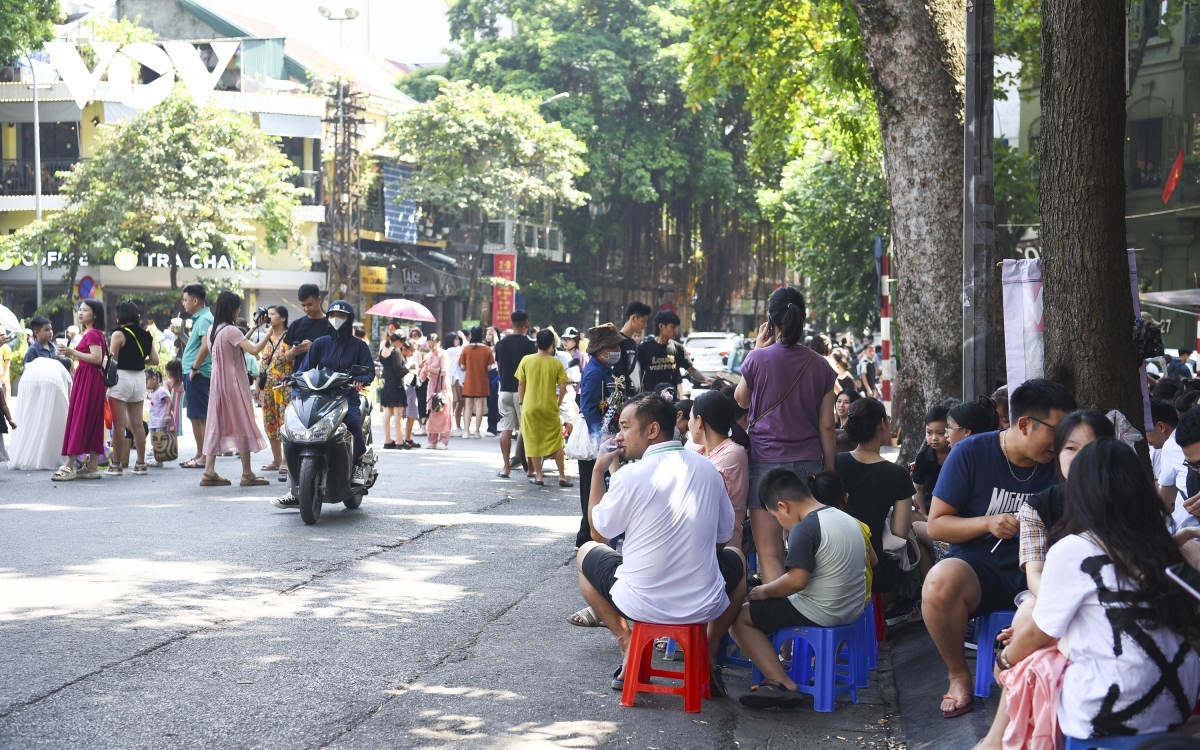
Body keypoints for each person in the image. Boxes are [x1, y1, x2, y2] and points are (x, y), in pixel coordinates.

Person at [978, 439, 1200, 749]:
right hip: (1178, 697)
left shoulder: (1075, 549)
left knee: (1037, 657)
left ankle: (996, 742)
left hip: (1112, 708)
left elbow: (1039, 633)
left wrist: (1003, 661)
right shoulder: (1161, 541)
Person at [923, 378, 1076, 719]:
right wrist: (987, 523)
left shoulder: (1063, 461)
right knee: (938, 583)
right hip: (981, 566)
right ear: (1024, 424)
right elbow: (936, 524)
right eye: (1057, 430)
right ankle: (959, 675)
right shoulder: (971, 452)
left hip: (1045, 569)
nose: (1063, 441)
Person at [576, 393, 746, 695]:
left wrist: (599, 471)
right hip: (702, 602)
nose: (619, 435)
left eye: (626, 426)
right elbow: (723, 540)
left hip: (640, 601)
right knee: (737, 558)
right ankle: (708, 649)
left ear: (652, 430)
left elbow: (598, 535)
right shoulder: (708, 469)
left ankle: (626, 641)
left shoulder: (630, 474)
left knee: (586, 553)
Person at [731, 467, 868, 709]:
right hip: (852, 609)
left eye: (775, 516)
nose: (778, 521)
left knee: (739, 618)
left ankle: (780, 682)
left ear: (783, 506)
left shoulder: (805, 528)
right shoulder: (847, 519)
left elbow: (796, 581)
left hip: (822, 610)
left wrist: (764, 591)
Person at [734, 286, 837, 584]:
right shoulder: (821, 365)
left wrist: (757, 348)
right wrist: (829, 471)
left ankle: (780, 622)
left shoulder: (757, 359)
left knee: (769, 552)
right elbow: (827, 426)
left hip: (764, 466)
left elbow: (741, 400)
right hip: (808, 466)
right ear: (803, 319)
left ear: (771, 320)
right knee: (812, 549)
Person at [1018, 409, 1114, 597]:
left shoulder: (1129, 497)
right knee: (1027, 614)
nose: (1081, 458)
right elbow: (1035, 574)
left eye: (1090, 449)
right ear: (1057, 454)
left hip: (1121, 595)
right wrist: (1061, 605)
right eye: (1071, 449)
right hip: (1060, 596)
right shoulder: (1037, 508)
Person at [197, 291, 272, 488]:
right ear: (232, 308)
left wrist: (254, 327)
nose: (239, 309)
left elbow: (235, 343)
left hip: (217, 383)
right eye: (238, 306)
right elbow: (254, 350)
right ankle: (247, 473)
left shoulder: (213, 329)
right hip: (233, 383)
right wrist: (269, 333)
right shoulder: (231, 330)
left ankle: (209, 470)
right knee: (243, 422)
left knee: (215, 423)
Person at [296, 300, 375, 471]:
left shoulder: (359, 346)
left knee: (353, 422)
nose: (336, 318)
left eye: (341, 315)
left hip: (347, 397)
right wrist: (292, 378)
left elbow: (370, 372)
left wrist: (361, 378)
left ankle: (359, 461)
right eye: (332, 315)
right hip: (321, 397)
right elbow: (305, 368)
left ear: (349, 318)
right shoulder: (320, 343)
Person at [571, 324, 622, 551]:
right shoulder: (594, 371)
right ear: (602, 349)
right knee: (590, 489)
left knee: (599, 487)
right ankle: (586, 538)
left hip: (604, 436)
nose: (617, 350)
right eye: (614, 346)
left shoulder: (604, 369)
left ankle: (589, 535)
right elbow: (588, 407)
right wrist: (599, 437)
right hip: (595, 441)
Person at [688, 390, 750, 550]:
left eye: (690, 418)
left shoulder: (734, 452)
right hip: (694, 540)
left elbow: (696, 491)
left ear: (699, 421)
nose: (689, 424)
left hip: (722, 545)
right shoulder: (695, 447)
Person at [54, 299, 108, 481]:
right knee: (91, 420)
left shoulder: (93, 333)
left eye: (85, 310)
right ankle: (92, 466)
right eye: (80, 309)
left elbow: (97, 358)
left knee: (81, 419)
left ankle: (69, 464)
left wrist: (72, 352)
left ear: (95, 314)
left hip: (90, 381)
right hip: (89, 379)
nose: (80, 312)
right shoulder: (93, 333)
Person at [105, 300, 159, 476]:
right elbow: (155, 360)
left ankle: (116, 464)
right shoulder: (146, 335)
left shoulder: (118, 334)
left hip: (122, 378)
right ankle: (141, 463)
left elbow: (113, 360)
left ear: (120, 315)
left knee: (119, 424)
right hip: (139, 378)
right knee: (137, 424)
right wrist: (138, 360)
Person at [516, 328, 571, 486]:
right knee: (557, 441)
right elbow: (563, 386)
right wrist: (558, 403)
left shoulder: (526, 360)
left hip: (529, 406)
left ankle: (538, 476)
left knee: (532, 439)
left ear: (536, 343)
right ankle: (562, 476)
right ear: (552, 345)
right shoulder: (556, 362)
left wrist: (521, 403)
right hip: (549, 407)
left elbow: (521, 383)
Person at [8, 355, 71, 470]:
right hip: (52, 381)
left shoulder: (43, 361)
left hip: (26, 379)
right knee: (55, 418)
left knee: (28, 416)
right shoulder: (63, 370)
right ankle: (45, 456)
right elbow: (68, 397)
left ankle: (22, 454)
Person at [494, 311, 537, 478]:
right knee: (527, 429)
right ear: (527, 324)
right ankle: (531, 469)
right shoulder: (530, 345)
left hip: (504, 390)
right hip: (523, 392)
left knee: (506, 428)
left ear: (511, 325)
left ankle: (506, 468)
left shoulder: (501, 344)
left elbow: (499, 368)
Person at [179, 284, 214, 470]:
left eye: (185, 300)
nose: (183, 304)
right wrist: (182, 335)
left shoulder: (204, 319)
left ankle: (205, 457)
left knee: (202, 417)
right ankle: (200, 454)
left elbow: (206, 346)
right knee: (195, 416)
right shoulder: (201, 318)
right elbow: (195, 345)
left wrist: (194, 368)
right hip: (193, 372)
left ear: (195, 301)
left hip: (198, 373)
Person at [637, 309, 709, 394]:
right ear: (661, 326)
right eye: (673, 327)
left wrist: (705, 378)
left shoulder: (678, 348)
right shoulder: (644, 348)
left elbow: (691, 370)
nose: (676, 330)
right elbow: (639, 376)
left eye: (677, 327)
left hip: (671, 399)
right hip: (651, 400)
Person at [257, 305, 291, 478]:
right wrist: (258, 386)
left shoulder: (289, 337)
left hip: (284, 388)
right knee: (270, 423)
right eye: (268, 314)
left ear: (283, 318)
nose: (268, 317)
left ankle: (286, 460)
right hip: (267, 387)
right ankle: (276, 459)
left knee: (284, 423)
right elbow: (263, 362)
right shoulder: (267, 337)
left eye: (272, 314)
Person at [284, 283, 335, 366]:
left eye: (309, 304)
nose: (306, 309)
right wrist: (293, 352)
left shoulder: (331, 325)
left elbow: (336, 353)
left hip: (323, 376)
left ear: (319, 300)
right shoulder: (296, 325)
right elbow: (288, 356)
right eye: (303, 305)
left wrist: (315, 347)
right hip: (300, 376)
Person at [418, 333, 454, 449]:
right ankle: (432, 439)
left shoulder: (444, 354)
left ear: (438, 343)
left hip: (442, 384)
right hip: (432, 385)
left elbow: (444, 371)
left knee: (443, 411)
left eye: (433, 346)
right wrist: (421, 368)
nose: (432, 348)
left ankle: (443, 439)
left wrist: (429, 369)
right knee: (432, 410)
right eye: (429, 346)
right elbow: (423, 374)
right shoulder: (428, 356)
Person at [1147, 397, 1184, 510]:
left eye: (1146, 430)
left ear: (1161, 427)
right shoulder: (1185, 437)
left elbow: (1168, 499)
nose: (1145, 439)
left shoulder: (1171, 445)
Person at [459, 326, 494, 439]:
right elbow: (489, 367)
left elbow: (462, 366)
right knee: (479, 406)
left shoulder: (466, 349)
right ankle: (477, 431)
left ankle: (466, 431)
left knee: (468, 406)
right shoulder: (487, 349)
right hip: (482, 380)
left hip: (469, 380)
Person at [612, 302, 651, 397]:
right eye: (643, 320)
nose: (645, 325)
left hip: (635, 399)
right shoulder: (617, 342)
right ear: (633, 318)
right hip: (624, 401)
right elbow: (617, 375)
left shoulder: (633, 343)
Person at [377, 332, 408, 449]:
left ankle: (388, 440)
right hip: (396, 385)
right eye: (403, 342)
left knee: (387, 414)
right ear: (399, 341)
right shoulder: (396, 351)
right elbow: (398, 369)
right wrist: (409, 370)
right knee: (398, 415)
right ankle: (400, 441)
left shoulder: (383, 350)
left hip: (386, 384)